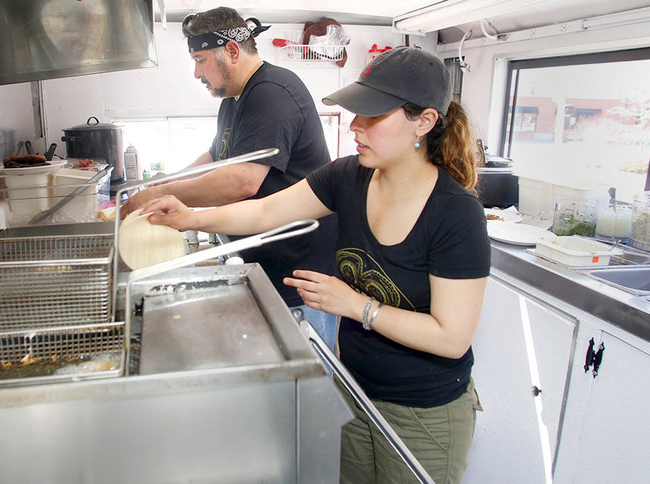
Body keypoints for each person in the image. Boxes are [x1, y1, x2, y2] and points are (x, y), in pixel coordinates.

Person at [139, 46, 490, 483]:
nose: (355, 125)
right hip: (356, 387)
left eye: (373, 115)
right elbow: (266, 212)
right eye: (355, 111)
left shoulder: (455, 212)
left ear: (424, 121)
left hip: (425, 410)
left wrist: (357, 305)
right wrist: (191, 217)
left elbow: (451, 338)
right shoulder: (347, 176)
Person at [120, 7, 338, 350]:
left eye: (200, 59)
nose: (196, 73)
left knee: (306, 386)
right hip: (260, 262)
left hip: (295, 273)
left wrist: (165, 196)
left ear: (232, 51)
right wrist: (164, 184)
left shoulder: (272, 92)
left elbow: (242, 180)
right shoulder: (235, 99)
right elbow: (215, 157)